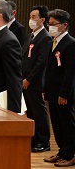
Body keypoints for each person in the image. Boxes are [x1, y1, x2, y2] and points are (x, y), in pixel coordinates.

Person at [43, 9, 75, 167]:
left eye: (53, 24)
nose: (50, 27)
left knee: (67, 124)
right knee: (56, 123)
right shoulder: (52, 42)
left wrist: (64, 94)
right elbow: (49, 69)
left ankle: (70, 154)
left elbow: (70, 73)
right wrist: (45, 89)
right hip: (52, 91)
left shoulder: (70, 43)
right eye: (49, 24)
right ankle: (62, 151)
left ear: (64, 25)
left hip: (64, 93)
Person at [22, 6, 51, 153]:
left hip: (36, 82)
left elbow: (41, 63)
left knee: (39, 112)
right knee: (31, 112)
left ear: (42, 20)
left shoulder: (45, 37)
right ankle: (34, 139)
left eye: (34, 17)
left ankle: (44, 141)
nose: (31, 20)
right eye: (30, 16)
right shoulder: (30, 36)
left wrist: (29, 79)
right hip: (25, 81)